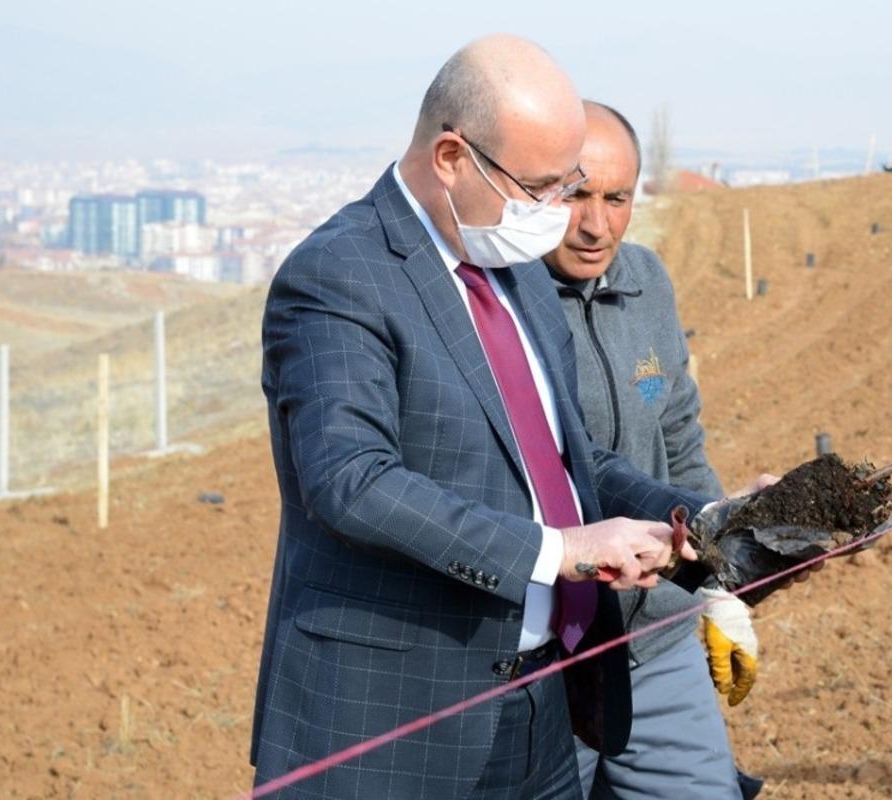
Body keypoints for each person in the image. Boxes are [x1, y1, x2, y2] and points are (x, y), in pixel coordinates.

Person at [249, 36, 731, 800]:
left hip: (541, 713)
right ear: (450, 157)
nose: (556, 213)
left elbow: (572, 460)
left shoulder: (517, 276)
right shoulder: (337, 275)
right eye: (541, 186)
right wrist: (560, 551)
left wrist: (709, 520)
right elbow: (349, 480)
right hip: (393, 724)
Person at [544, 101, 765, 800]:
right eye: (576, 194)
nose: (596, 224)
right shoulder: (502, 302)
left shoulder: (647, 282)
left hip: (657, 635)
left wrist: (717, 587)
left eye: (617, 198)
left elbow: (680, 440)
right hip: (550, 656)